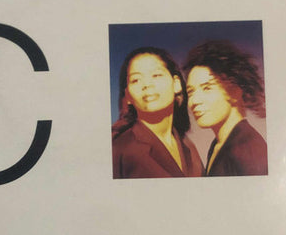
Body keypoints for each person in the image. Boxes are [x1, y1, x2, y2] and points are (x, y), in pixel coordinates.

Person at [112, 47, 204, 178]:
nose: (147, 84)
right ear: (127, 96)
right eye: (136, 80)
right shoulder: (119, 149)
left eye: (156, 75)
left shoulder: (188, 147)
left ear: (176, 84)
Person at [184, 40, 267, 176]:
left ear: (235, 92)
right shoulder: (219, 144)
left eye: (207, 88)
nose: (194, 101)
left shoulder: (246, 151)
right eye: (191, 92)